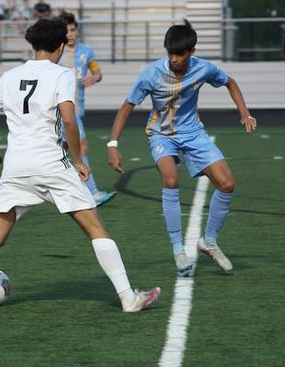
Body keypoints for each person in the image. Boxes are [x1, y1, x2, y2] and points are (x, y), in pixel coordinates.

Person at [0, 18, 160, 314]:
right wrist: (78, 161)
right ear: (61, 46)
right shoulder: (61, 75)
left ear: (33, 45)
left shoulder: (10, 76)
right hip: (51, 163)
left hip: (15, 167)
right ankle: (128, 297)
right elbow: (69, 118)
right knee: (96, 229)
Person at [107, 20, 256, 277]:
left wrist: (244, 112)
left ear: (191, 51)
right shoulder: (151, 74)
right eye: (170, 53)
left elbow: (230, 82)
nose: (174, 59)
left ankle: (208, 242)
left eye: (179, 54)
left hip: (194, 133)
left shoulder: (203, 69)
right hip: (161, 135)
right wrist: (113, 144)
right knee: (170, 178)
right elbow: (126, 107)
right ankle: (178, 249)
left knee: (227, 184)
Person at [58, 11, 115, 206]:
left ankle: (63, 190)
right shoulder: (56, 51)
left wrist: (94, 78)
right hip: (63, 109)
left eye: (73, 30)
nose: (70, 34)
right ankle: (92, 192)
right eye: (66, 31)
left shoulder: (86, 51)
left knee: (62, 149)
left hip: (77, 108)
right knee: (81, 146)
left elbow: (98, 73)